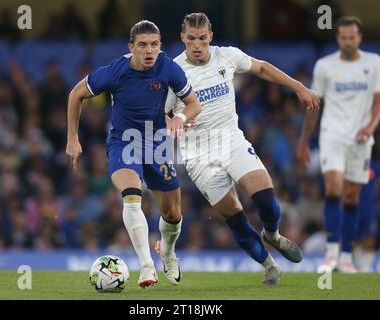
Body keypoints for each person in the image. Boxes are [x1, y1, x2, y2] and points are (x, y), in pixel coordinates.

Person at [165, 13, 319, 285]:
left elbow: (260, 68)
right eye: (191, 39)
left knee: (265, 198)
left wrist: (297, 86)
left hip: (231, 142)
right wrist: (173, 123)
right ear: (183, 38)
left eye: (202, 38)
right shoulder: (173, 71)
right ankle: (269, 266)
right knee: (234, 216)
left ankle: (272, 234)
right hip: (198, 156)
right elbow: (161, 113)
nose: (197, 44)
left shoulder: (227, 56)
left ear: (210, 37)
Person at [66, 20, 201, 287]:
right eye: (142, 45)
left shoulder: (167, 67)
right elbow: (76, 94)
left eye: (154, 45)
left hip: (157, 144)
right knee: (131, 196)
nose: (149, 50)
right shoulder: (115, 72)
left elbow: (194, 103)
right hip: (124, 142)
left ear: (160, 46)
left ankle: (168, 253)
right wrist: (72, 138)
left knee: (173, 214)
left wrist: (180, 117)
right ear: (131, 47)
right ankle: (146, 266)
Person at [297, 16, 380, 272]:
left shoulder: (374, 63)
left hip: (360, 138)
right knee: (333, 188)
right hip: (332, 135)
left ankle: (347, 257)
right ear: (338, 38)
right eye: (344, 37)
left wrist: (370, 128)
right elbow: (314, 106)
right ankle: (331, 254)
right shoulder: (325, 66)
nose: (348, 42)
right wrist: (304, 140)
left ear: (359, 38)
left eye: (352, 37)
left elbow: (379, 101)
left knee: (352, 196)